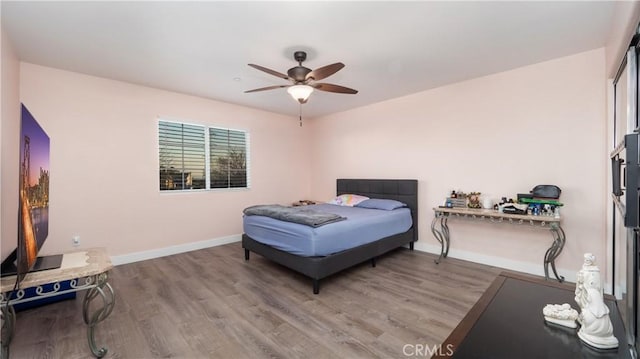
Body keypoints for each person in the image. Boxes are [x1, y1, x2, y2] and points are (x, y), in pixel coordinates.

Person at [574, 253, 618, 349]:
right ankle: (586, 323)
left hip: (592, 294)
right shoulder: (584, 270)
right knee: (586, 308)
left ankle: (592, 328)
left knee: (595, 310)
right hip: (586, 293)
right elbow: (581, 283)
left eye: (588, 260)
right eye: (585, 259)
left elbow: (598, 286)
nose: (586, 261)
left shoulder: (595, 272)